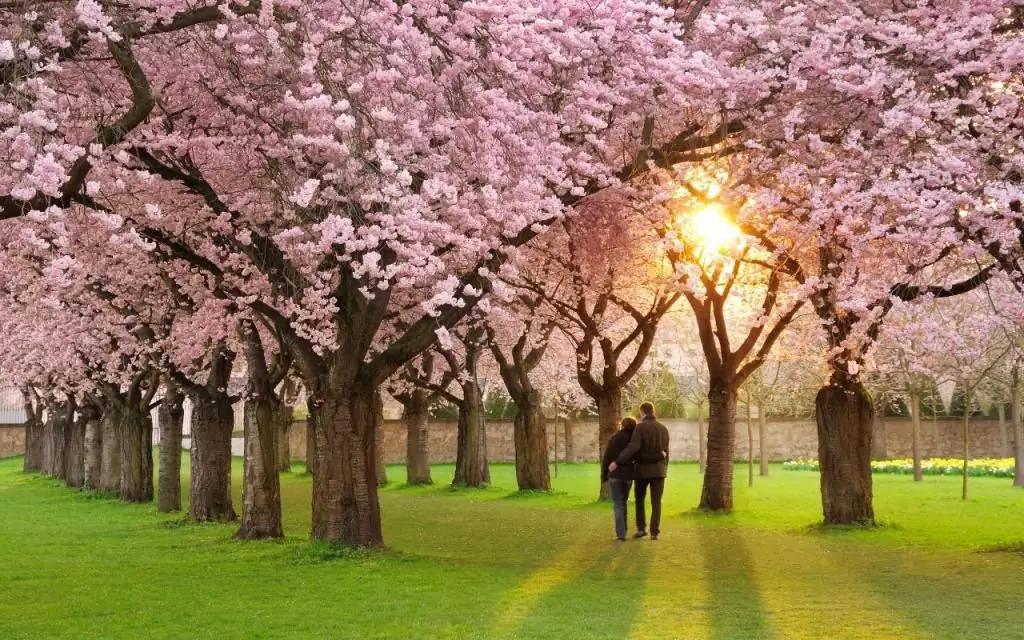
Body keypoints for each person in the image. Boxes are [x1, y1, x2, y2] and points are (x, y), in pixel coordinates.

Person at [608, 402, 669, 540]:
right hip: (659, 471)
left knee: (640, 500)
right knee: (656, 502)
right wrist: (664, 467)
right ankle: (654, 532)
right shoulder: (663, 429)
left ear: (642, 412)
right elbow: (666, 452)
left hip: (642, 471)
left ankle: (641, 529)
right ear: (653, 411)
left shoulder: (640, 428)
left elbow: (633, 448)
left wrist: (617, 461)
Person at [601, 417, 637, 541]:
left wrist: (604, 474)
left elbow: (607, 458)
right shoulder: (634, 440)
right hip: (628, 475)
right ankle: (624, 530)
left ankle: (621, 534)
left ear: (622, 425)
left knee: (618, 504)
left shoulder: (614, 438)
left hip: (615, 475)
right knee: (623, 502)